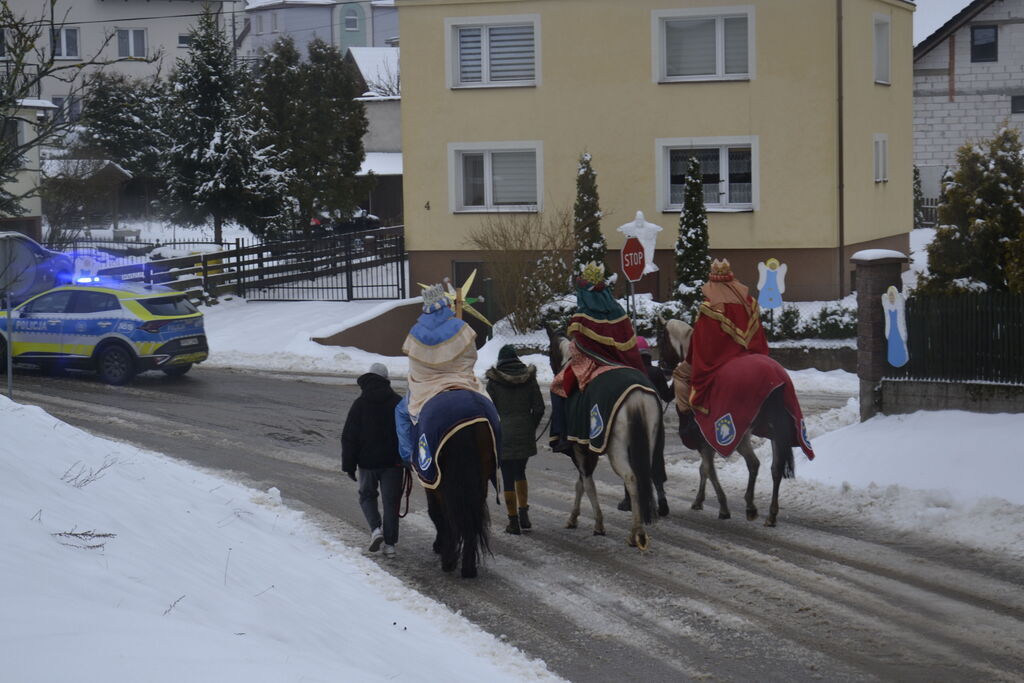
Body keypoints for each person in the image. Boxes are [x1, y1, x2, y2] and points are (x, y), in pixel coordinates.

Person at [675, 257, 769, 428]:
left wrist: (690, 360)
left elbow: (703, 345)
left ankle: (689, 421)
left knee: (680, 376)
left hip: (720, 361)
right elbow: (759, 336)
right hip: (753, 355)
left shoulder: (710, 307)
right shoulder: (750, 302)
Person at [341, 362, 404, 558]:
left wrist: (349, 465)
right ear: (386, 380)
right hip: (392, 464)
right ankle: (390, 545)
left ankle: (376, 530)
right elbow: (407, 433)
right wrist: (408, 460)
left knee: (367, 496)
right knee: (391, 503)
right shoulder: (397, 402)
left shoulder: (359, 404)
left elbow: (349, 436)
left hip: (367, 463)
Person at [486, 345, 545, 535]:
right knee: (521, 471)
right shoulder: (530, 379)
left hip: (503, 434)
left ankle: (513, 522)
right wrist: (530, 426)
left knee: (507, 475)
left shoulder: (493, 382)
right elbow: (539, 409)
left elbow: (488, 411)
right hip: (524, 432)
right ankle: (524, 513)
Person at [617, 335, 674, 512]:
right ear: (648, 353)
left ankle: (629, 500)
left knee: (630, 457)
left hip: (631, 420)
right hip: (655, 421)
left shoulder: (626, 373)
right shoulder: (656, 373)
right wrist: (677, 380)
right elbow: (667, 397)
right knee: (656, 457)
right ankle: (662, 497)